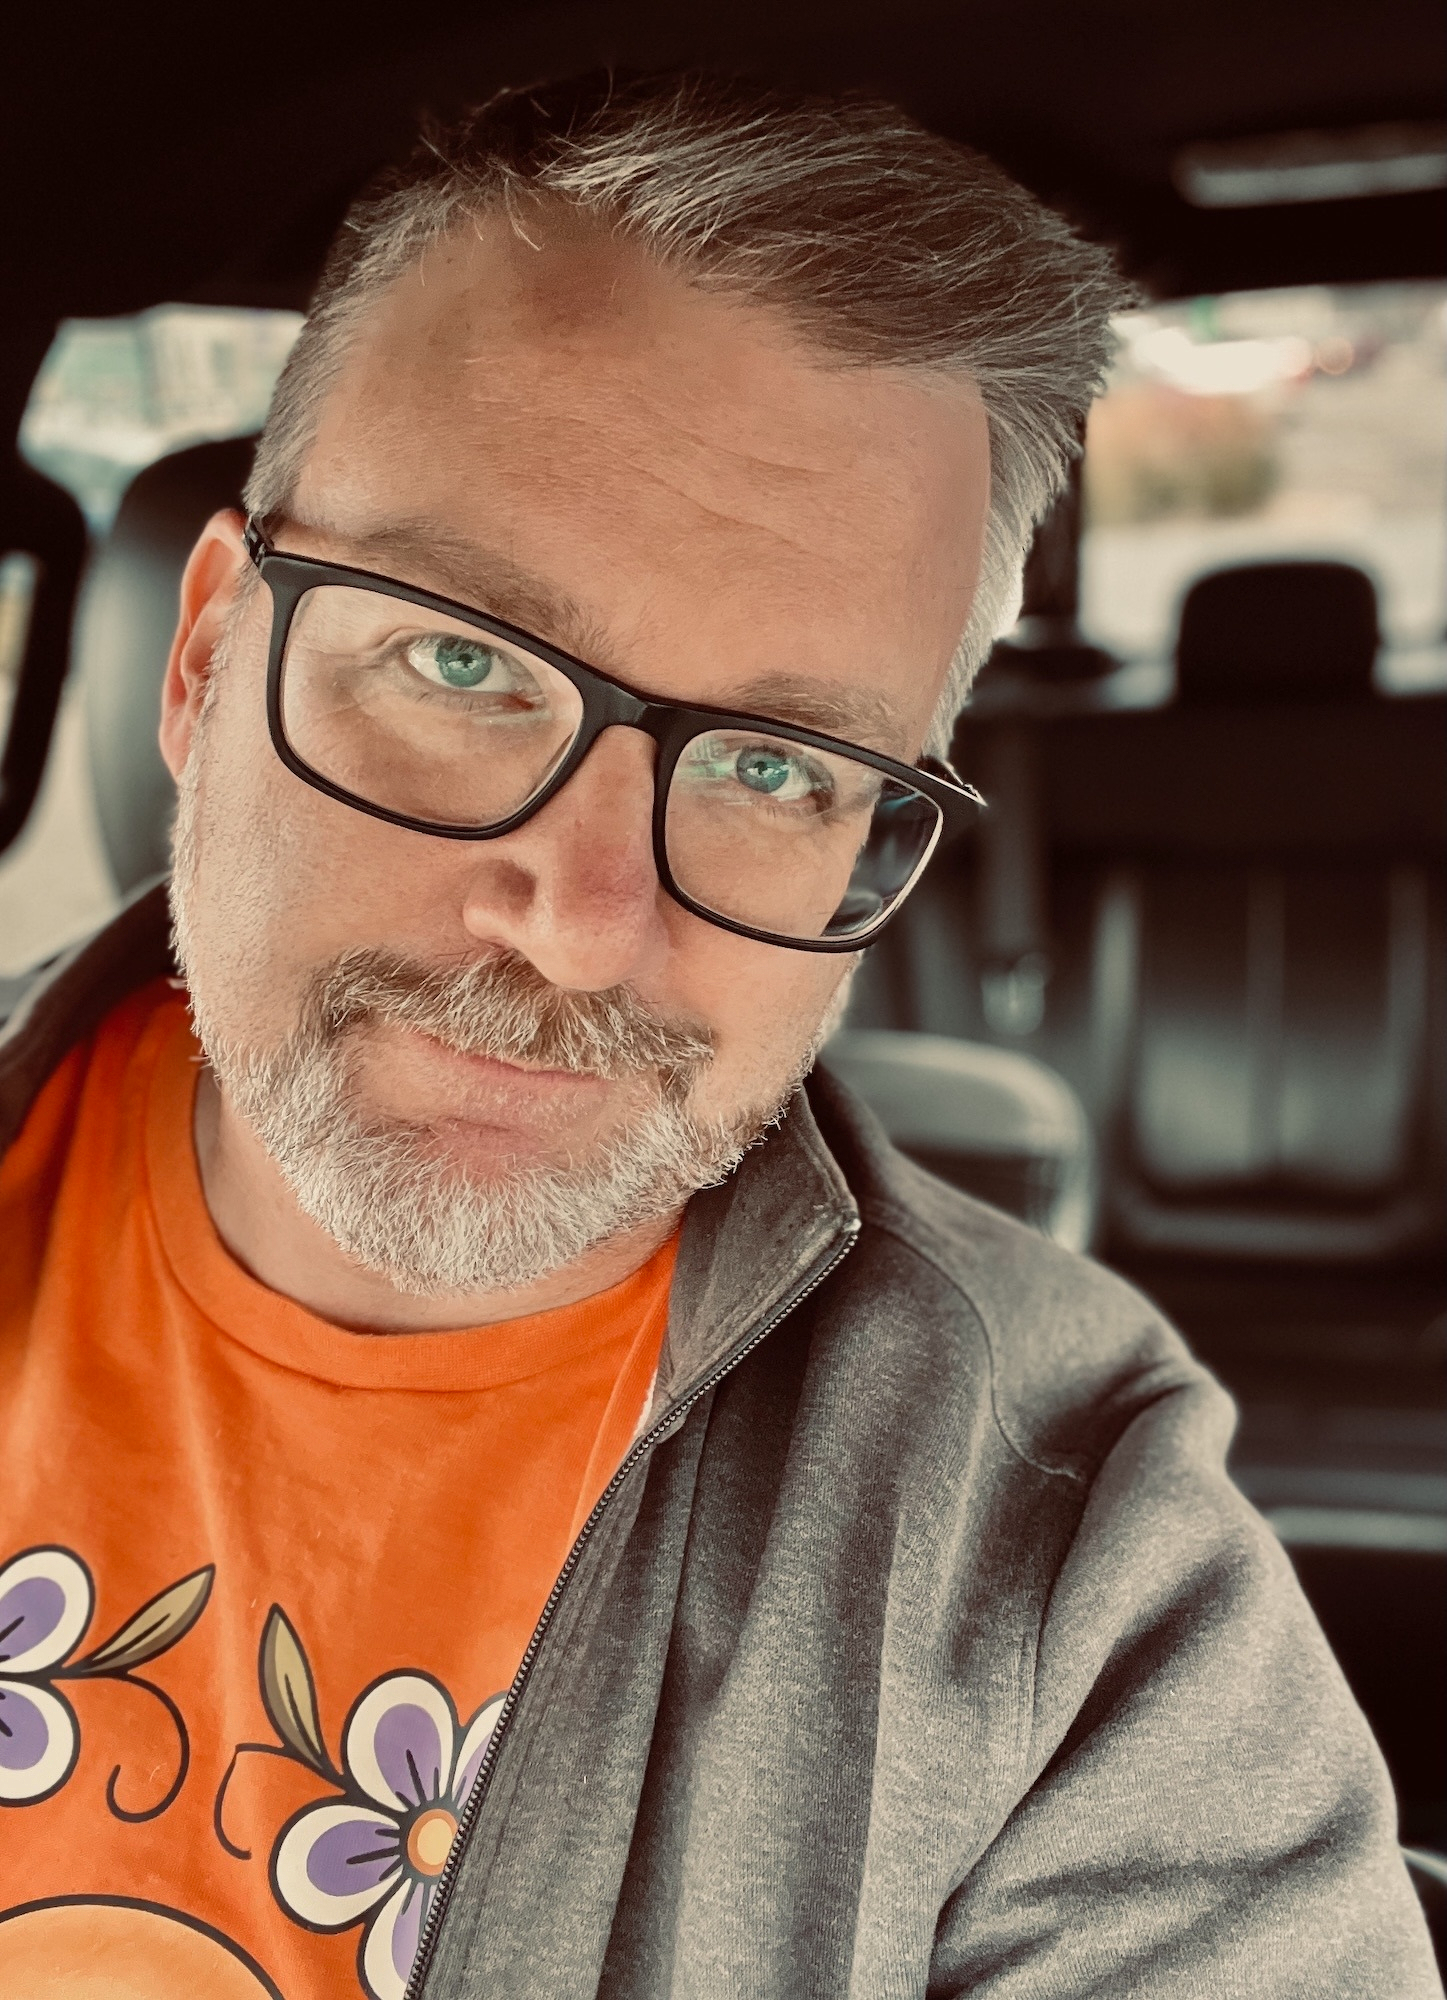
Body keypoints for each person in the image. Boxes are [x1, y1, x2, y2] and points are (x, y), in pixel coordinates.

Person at [0, 70, 1436, 2000]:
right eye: (462, 664)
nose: (586, 928)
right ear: (201, 659)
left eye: (779, 763)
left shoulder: (1073, 1581)